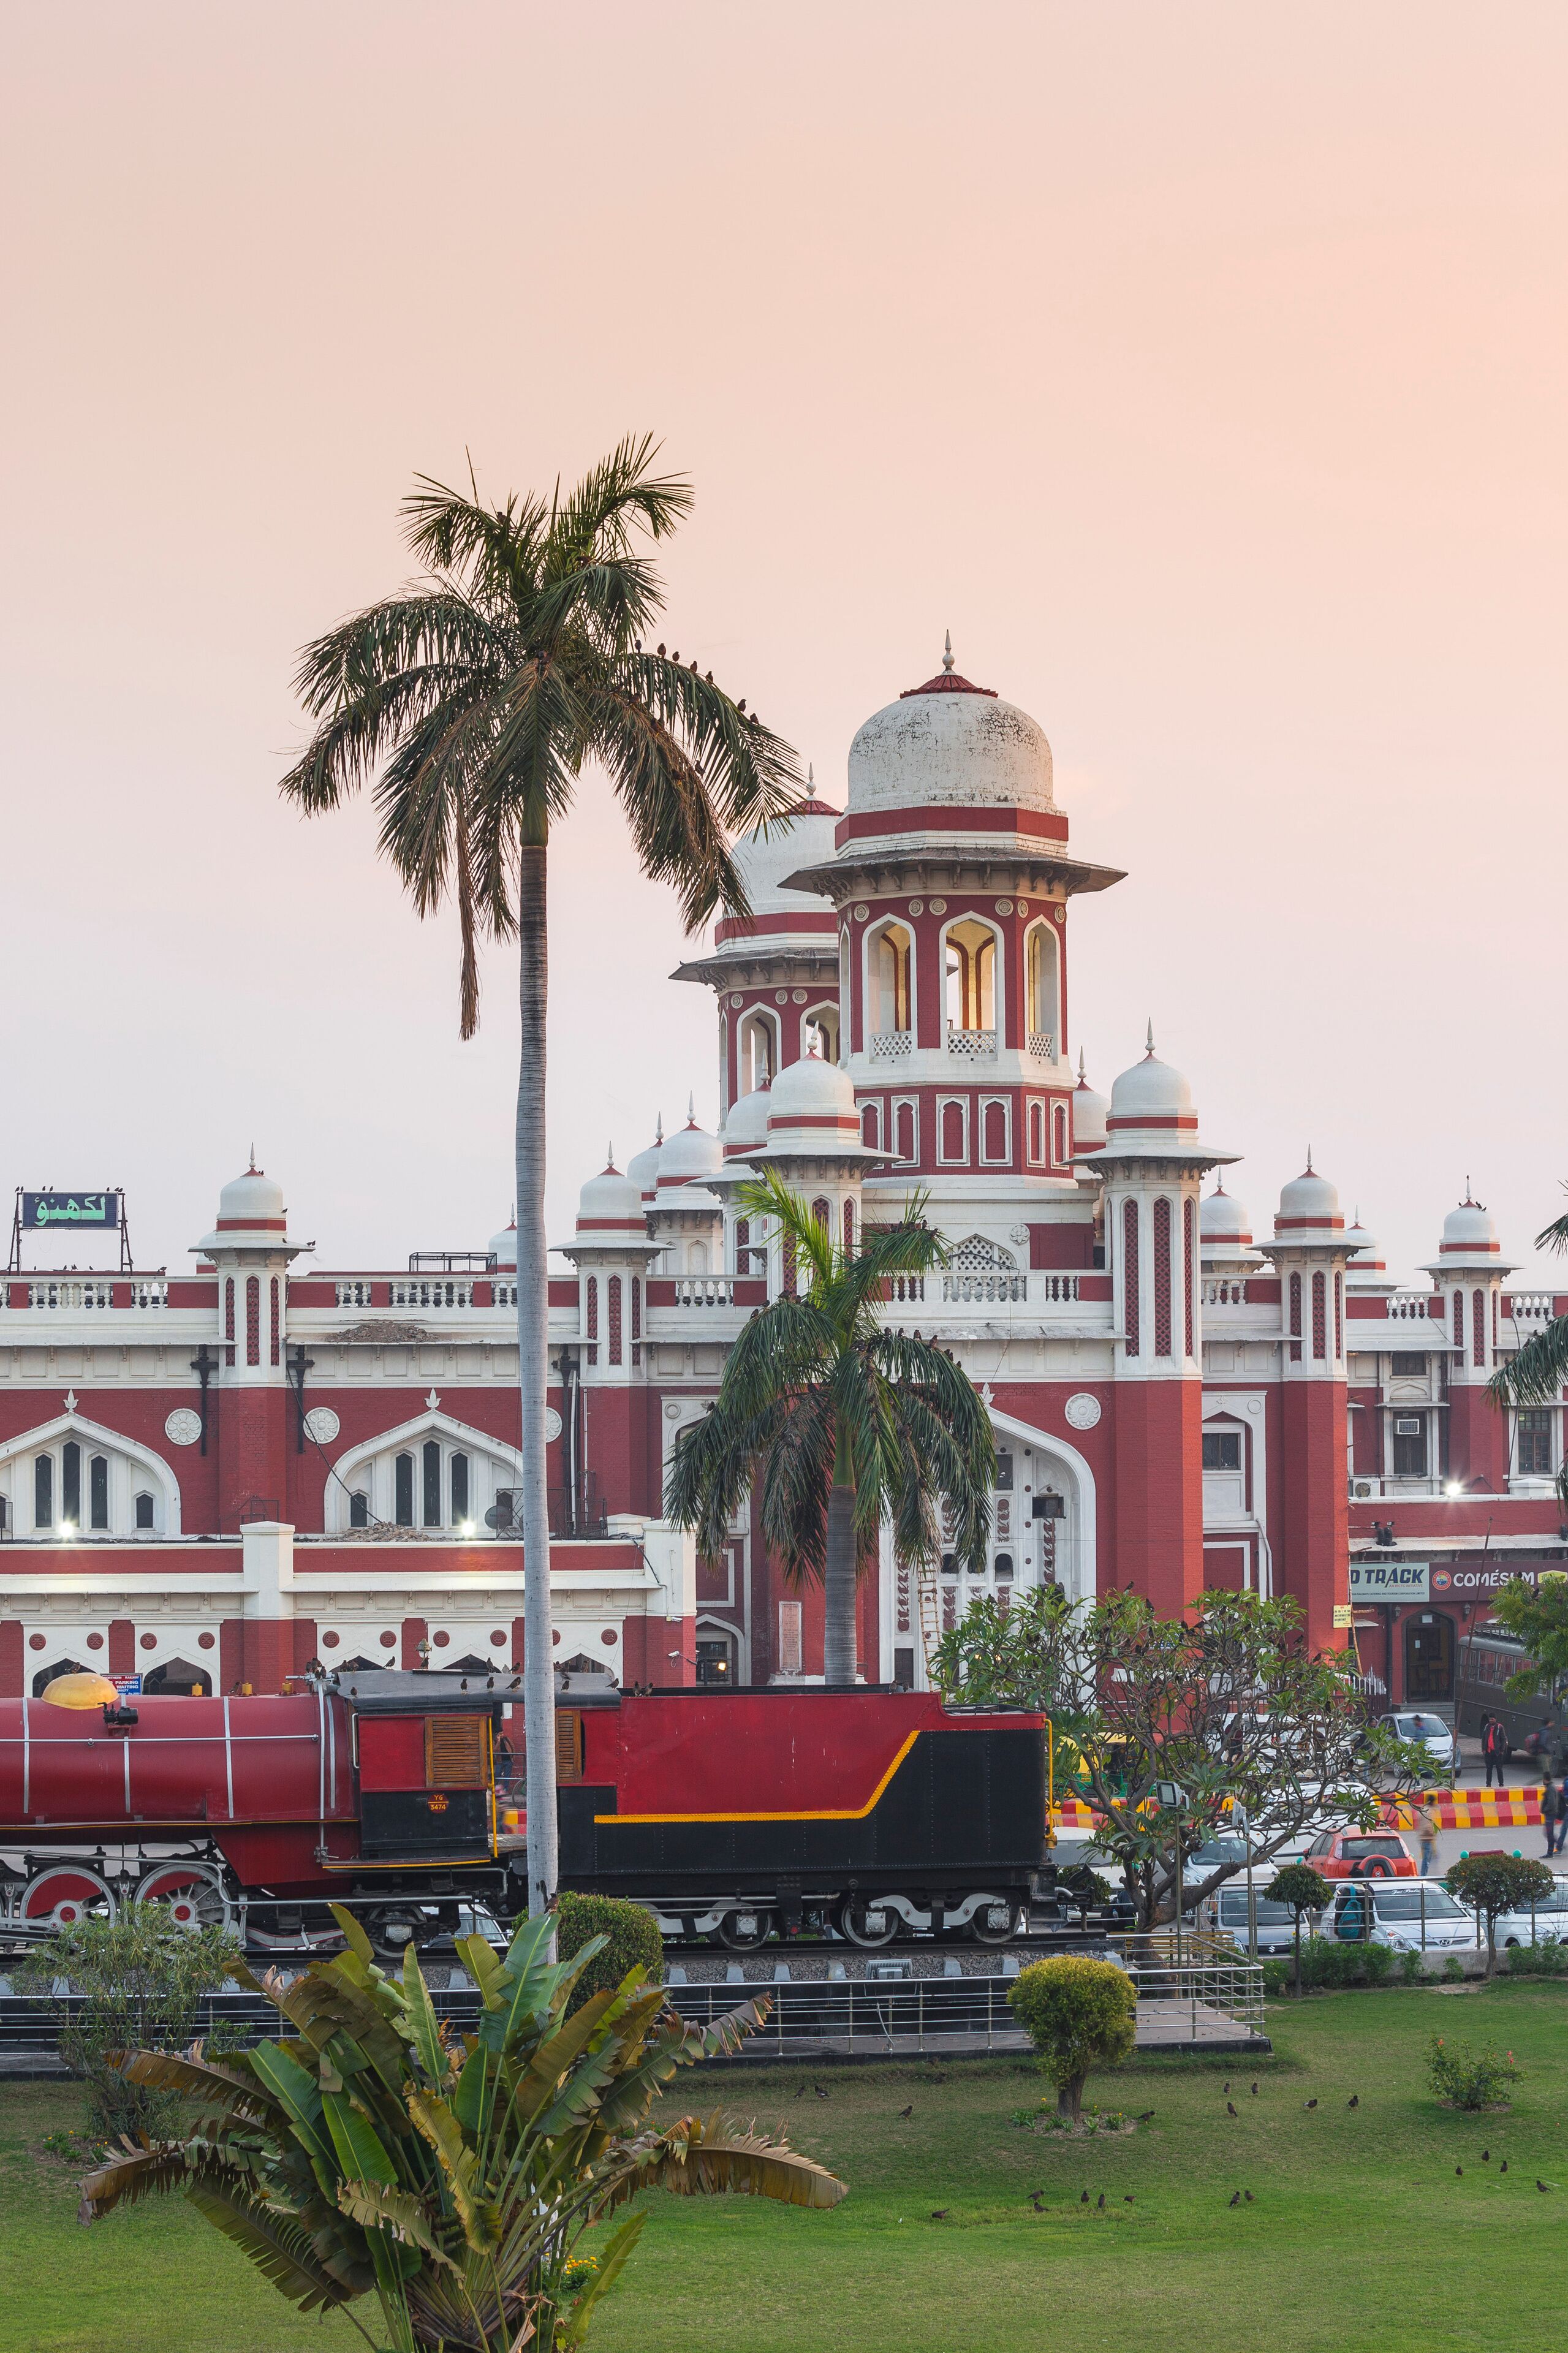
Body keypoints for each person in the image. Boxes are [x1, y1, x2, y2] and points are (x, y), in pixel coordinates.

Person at [1412, 1797, 1440, 1879]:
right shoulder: (1428, 1812)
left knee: (1429, 1857)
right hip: (1427, 1838)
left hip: (1423, 1837)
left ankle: (1424, 1874)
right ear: (1431, 1802)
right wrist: (1433, 1834)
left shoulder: (1422, 1810)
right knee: (1426, 1858)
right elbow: (1428, 1826)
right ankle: (1423, 1876)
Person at [1542, 1770, 1566, 1860]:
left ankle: (1550, 1852)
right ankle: (1556, 1847)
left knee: (1549, 1834)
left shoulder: (1551, 1788)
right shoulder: (1551, 1787)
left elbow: (1552, 1803)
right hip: (1550, 1814)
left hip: (1550, 1814)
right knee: (1548, 1833)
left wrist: (1545, 1810)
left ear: (1545, 1779)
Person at [1482, 1713, 1509, 1790]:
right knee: (1489, 1768)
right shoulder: (1487, 1727)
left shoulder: (1500, 1727)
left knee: (1499, 1768)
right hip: (1488, 1751)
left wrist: (1502, 1750)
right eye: (1490, 1719)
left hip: (1497, 1752)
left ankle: (1501, 1784)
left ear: (1495, 1719)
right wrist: (1484, 1749)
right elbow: (1484, 1738)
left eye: (1492, 1719)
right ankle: (1488, 1784)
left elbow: (1504, 1739)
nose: (1491, 1721)